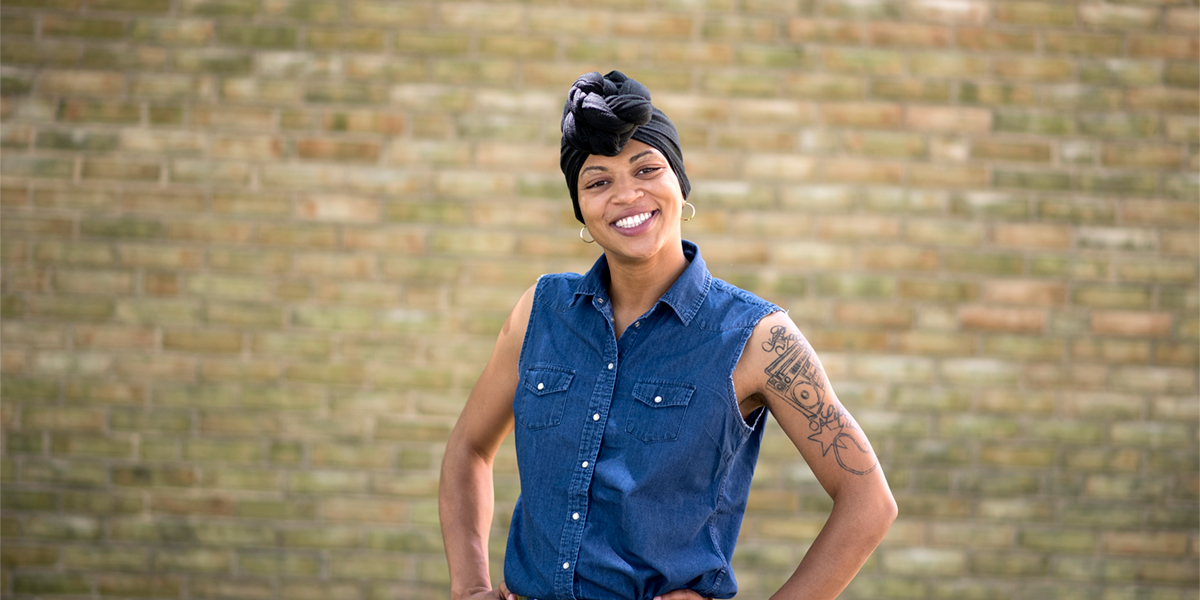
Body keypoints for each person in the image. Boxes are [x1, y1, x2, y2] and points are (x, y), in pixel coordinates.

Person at [439, 71, 897, 600]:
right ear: (581, 212)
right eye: (598, 181)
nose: (627, 195)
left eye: (646, 169)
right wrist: (469, 586)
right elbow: (468, 450)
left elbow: (868, 501)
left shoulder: (758, 338)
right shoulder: (539, 312)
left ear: (680, 183)